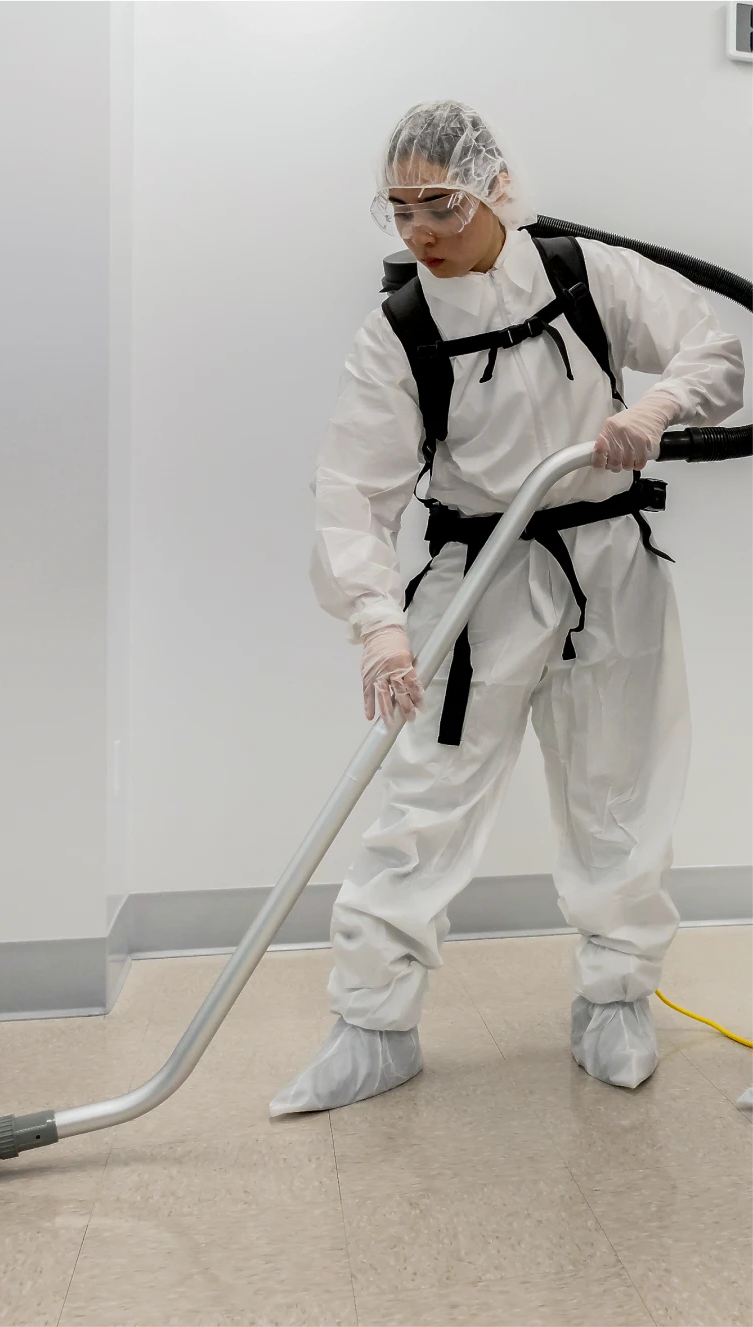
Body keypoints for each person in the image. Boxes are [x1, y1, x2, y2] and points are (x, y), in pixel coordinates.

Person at [270, 100, 744, 1116]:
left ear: (495, 190)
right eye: (397, 211)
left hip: (607, 565)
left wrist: (657, 405)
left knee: (619, 786)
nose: (418, 232)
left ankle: (615, 1000)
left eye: (437, 203)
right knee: (424, 799)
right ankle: (371, 1024)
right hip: (475, 578)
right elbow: (353, 488)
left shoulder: (586, 275)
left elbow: (712, 351)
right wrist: (379, 625)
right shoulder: (398, 329)